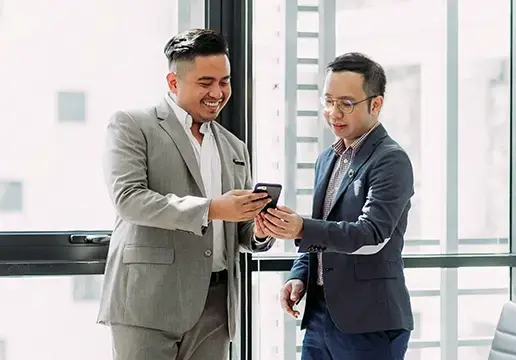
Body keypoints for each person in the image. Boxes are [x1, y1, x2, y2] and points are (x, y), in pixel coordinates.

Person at [97, 28, 275, 360]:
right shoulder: (132, 125)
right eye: (205, 82)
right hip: (148, 302)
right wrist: (211, 209)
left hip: (217, 305)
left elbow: (240, 231)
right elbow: (129, 200)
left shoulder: (234, 146)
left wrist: (261, 230)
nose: (218, 92)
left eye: (224, 81)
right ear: (173, 82)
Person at [258, 52, 414, 360]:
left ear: (376, 104)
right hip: (319, 317)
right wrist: (298, 275)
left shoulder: (390, 160)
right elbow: (323, 230)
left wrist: (301, 228)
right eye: (328, 101)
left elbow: (372, 235)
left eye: (346, 103)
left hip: (369, 323)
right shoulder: (327, 158)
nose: (334, 113)